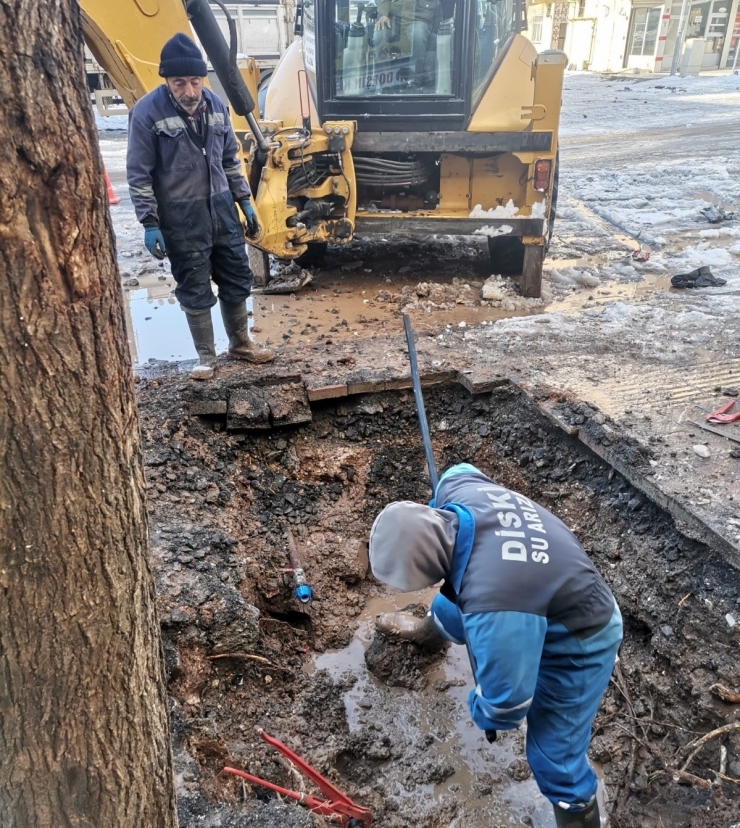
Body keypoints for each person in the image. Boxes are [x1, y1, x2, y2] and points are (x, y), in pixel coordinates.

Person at [369, 462, 623, 828]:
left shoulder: (493, 602)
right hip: (545, 583)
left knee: (554, 753)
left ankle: (576, 809)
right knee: (455, 598)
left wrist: (482, 709)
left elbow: (508, 705)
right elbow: (459, 470)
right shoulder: (457, 494)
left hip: (583, 633)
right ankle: (431, 631)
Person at [126, 33, 274, 380]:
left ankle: (240, 344)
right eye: (180, 83)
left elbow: (230, 161)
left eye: (195, 81)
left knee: (237, 275)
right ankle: (206, 357)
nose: (189, 91)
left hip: (222, 208)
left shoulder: (216, 105)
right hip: (181, 215)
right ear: (167, 81)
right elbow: (138, 174)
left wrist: (245, 203)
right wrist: (149, 222)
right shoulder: (147, 113)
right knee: (193, 284)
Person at [374, 0, 443, 88]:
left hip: (419, 19)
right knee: (378, 36)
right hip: (394, 19)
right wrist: (383, 14)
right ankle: (384, 83)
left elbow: (438, 7)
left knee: (419, 36)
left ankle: (414, 83)